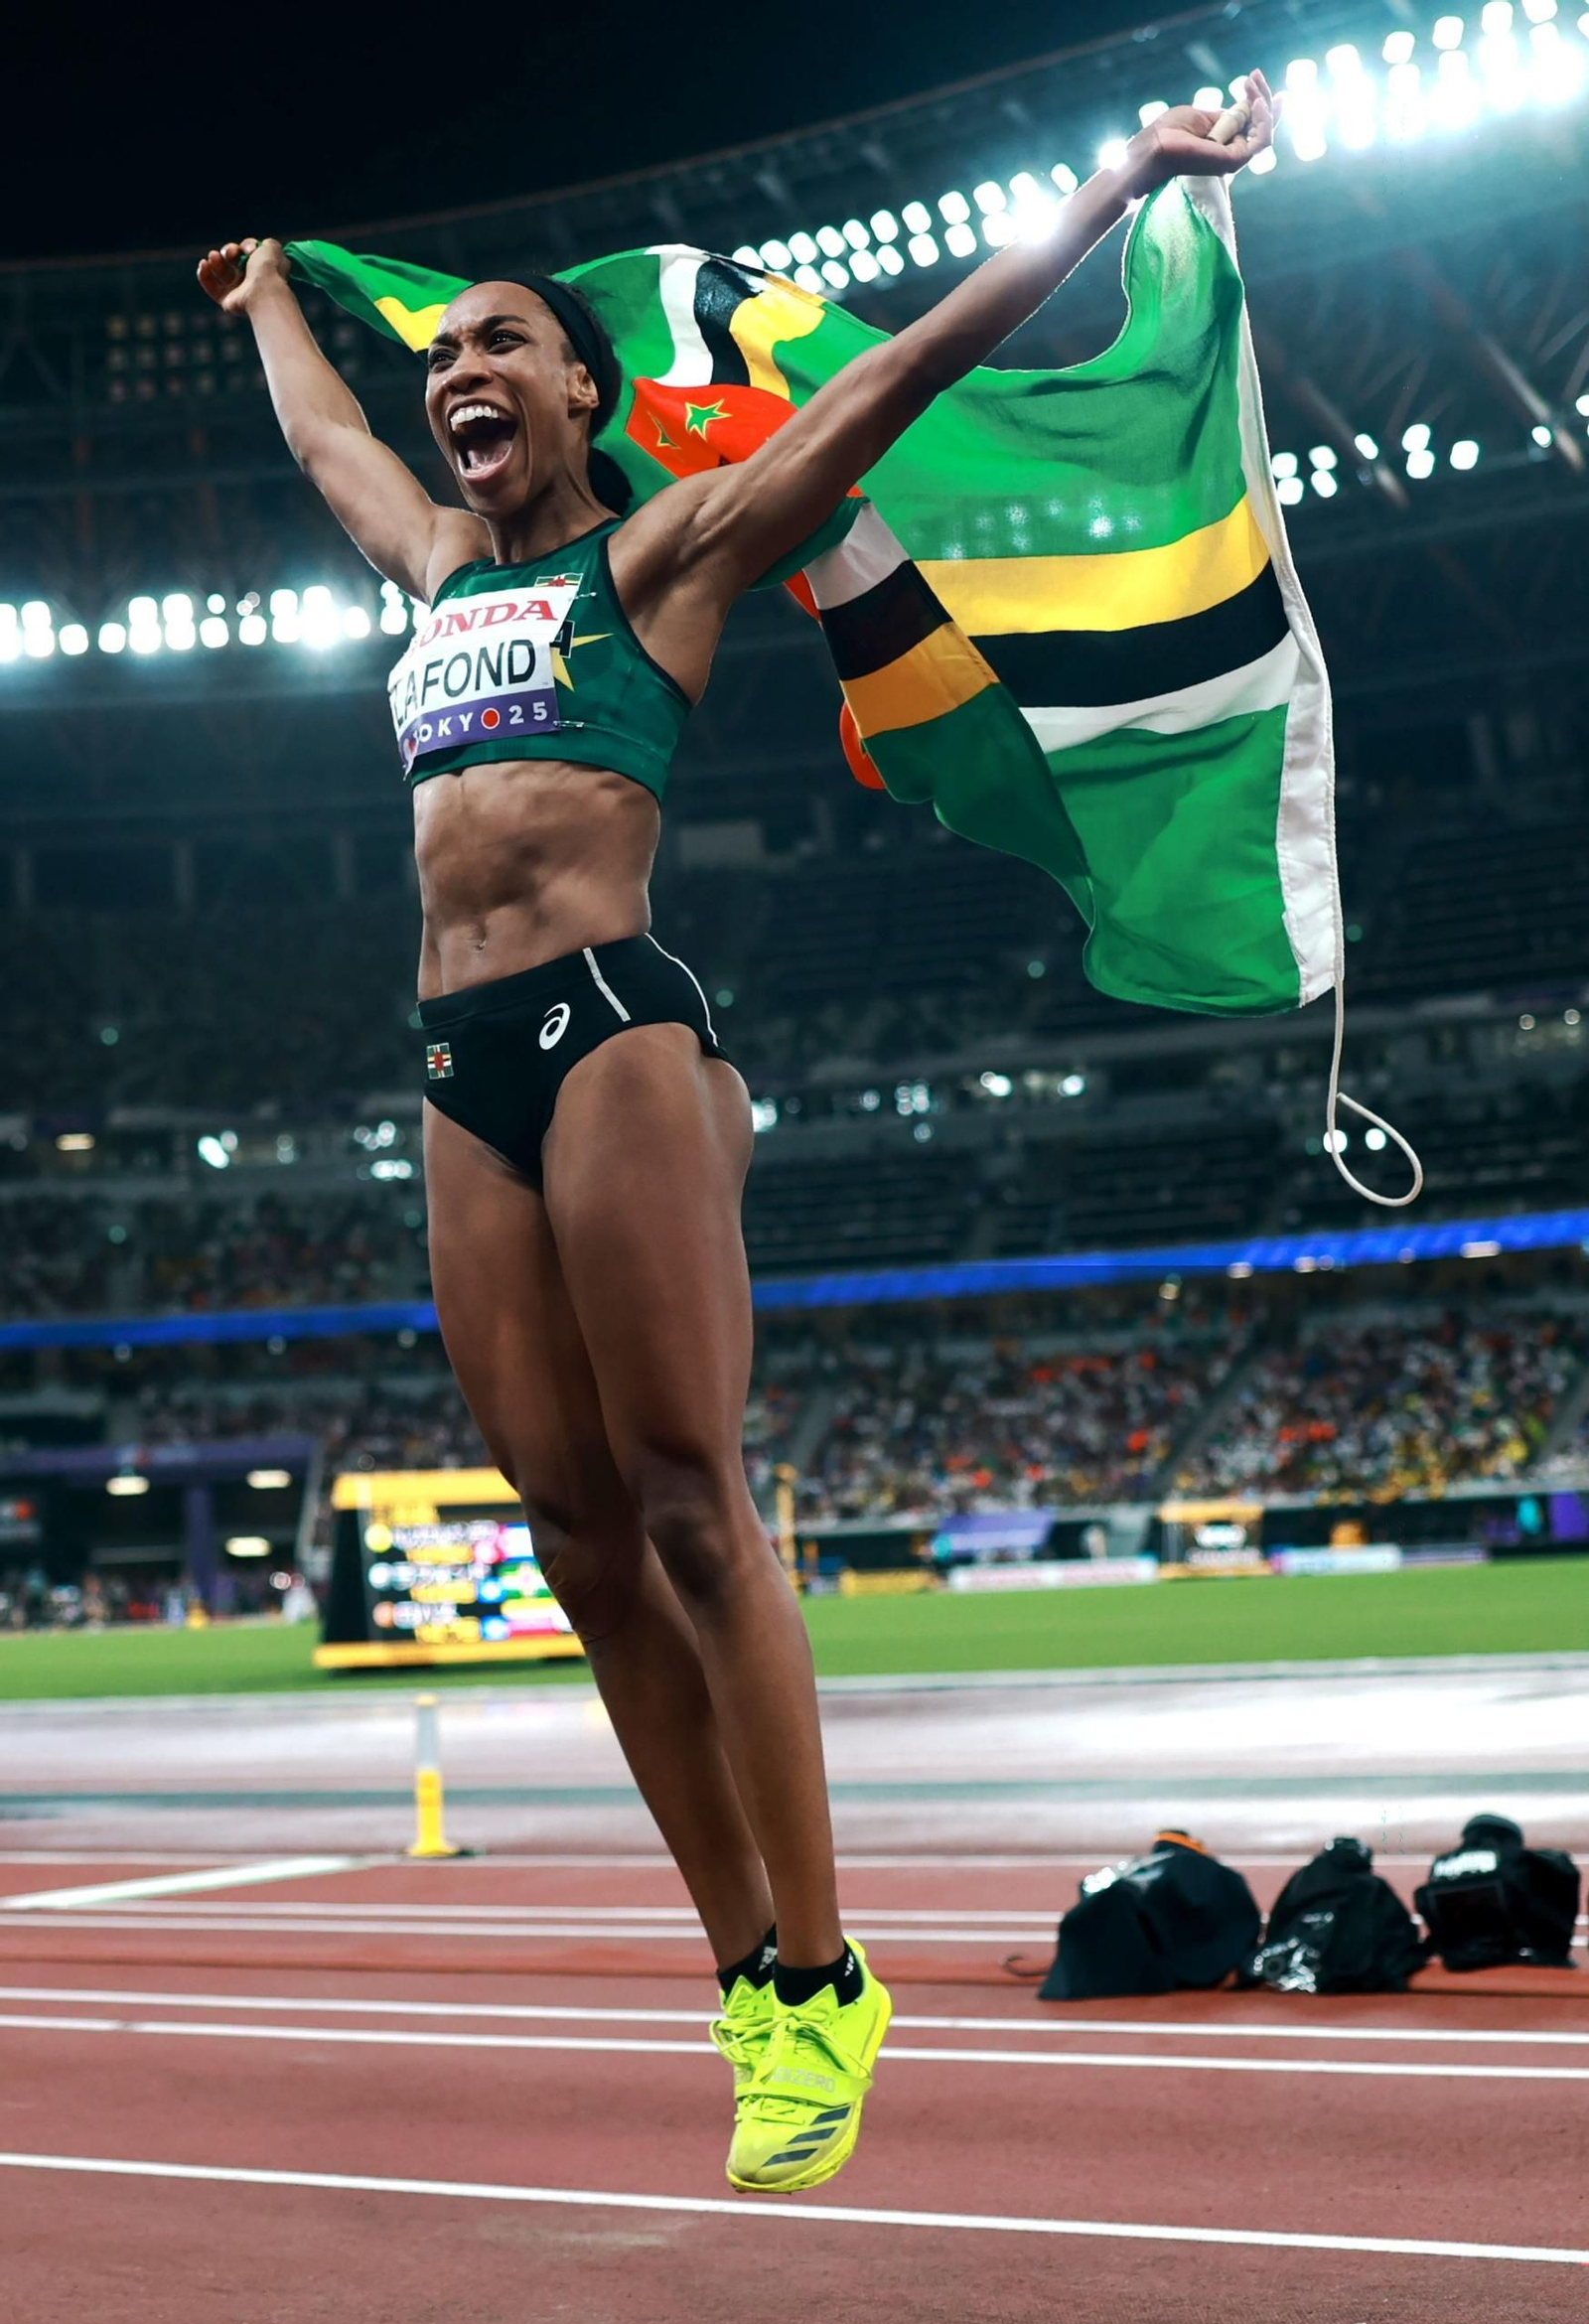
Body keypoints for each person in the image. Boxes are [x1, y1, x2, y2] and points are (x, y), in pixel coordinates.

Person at [198, 73, 1274, 2195]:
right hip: (452, 1064)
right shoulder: (424, 566)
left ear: (589, 394)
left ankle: (823, 1946)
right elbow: (329, 439)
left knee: (692, 1495)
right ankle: (754, 1992)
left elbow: (892, 371)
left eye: (500, 342)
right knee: (583, 1549)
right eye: (443, 361)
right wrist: (259, 306)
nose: (456, 375)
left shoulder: (661, 549)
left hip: (616, 1021)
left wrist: (1120, 181)